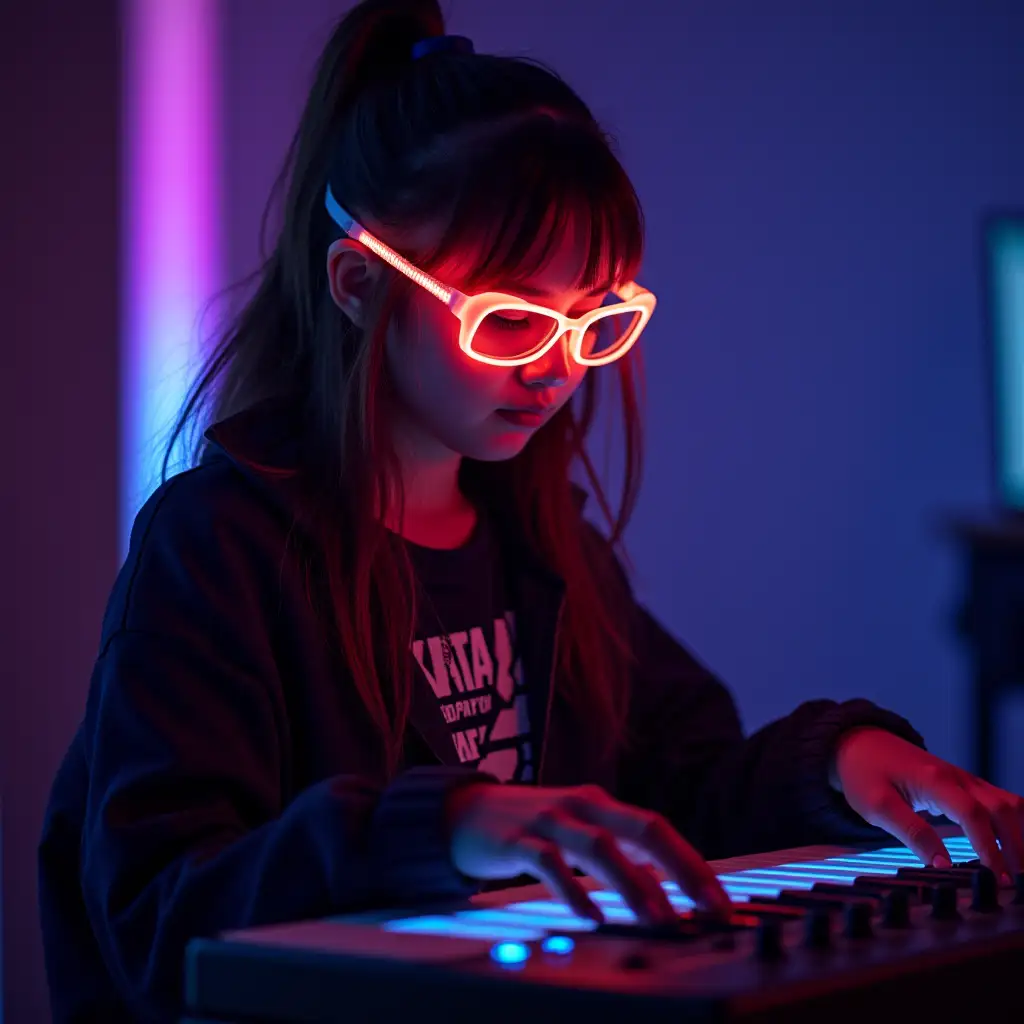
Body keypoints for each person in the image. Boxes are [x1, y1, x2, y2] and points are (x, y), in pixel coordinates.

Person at [38, 0, 1024, 1021]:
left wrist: (837, 760)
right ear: (357, 284)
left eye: (590, 316)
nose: (555, 365)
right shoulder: (218, 550)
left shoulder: (548, 559)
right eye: (508, 317)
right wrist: (451, 824)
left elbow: (679, 794)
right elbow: (158, 910)